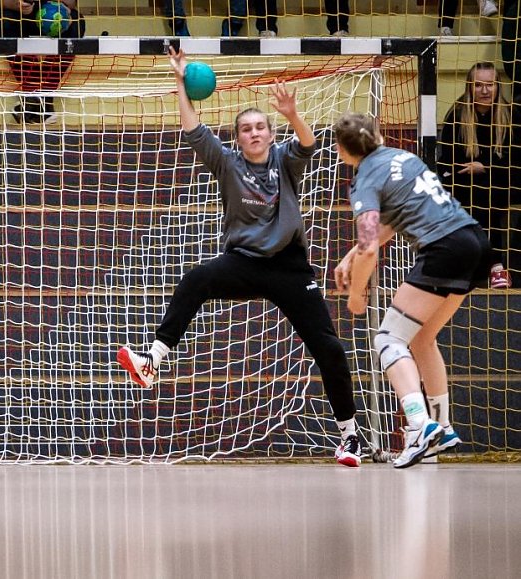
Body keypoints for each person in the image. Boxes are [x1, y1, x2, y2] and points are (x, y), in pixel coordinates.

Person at [117, 47, 364, 468]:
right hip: (245, 262)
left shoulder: (286, 159)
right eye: (246, 128)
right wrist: (180, 82)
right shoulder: (227, 163)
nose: (253, 133)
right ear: (238, 138)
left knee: (329, 348)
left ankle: (350, 436)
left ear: (270, 134)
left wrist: (291, 112)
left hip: (289, 266)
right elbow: (193, 128)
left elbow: (308, 142)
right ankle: (151, 360)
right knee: (196, 279)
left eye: (260, 127)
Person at [333, 112, 491, 468]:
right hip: (474, 242)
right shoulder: (403, 158)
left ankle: (419, 425)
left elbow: (370, 245)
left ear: (343, 151)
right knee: (422, 338)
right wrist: (350, 256)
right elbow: (388, 224)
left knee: (388, 338)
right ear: (377, 135)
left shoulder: (365, 179)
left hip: (443, 249)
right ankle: (443, 427)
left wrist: (357, 294)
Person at [437, 62, 515, 288]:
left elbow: (513, 158)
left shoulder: (510, 115)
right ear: (469, 87)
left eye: (489, 85)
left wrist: (486, 166)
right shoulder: (457, 114)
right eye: (478, 85)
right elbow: (448, 158)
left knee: (486, 190)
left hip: (502, 179)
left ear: (498, 87)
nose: (484, 91)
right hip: (465, 180)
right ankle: (493, 266)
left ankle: (493, 266)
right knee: (470, 191)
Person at [0, 0, 85, 124]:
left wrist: (64, 8)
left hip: (46, 16)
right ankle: (35, 99)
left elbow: (70, 3)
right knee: (5, 22)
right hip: (12, 15)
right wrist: (17, 4)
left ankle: (38, 101)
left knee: (77, 22)